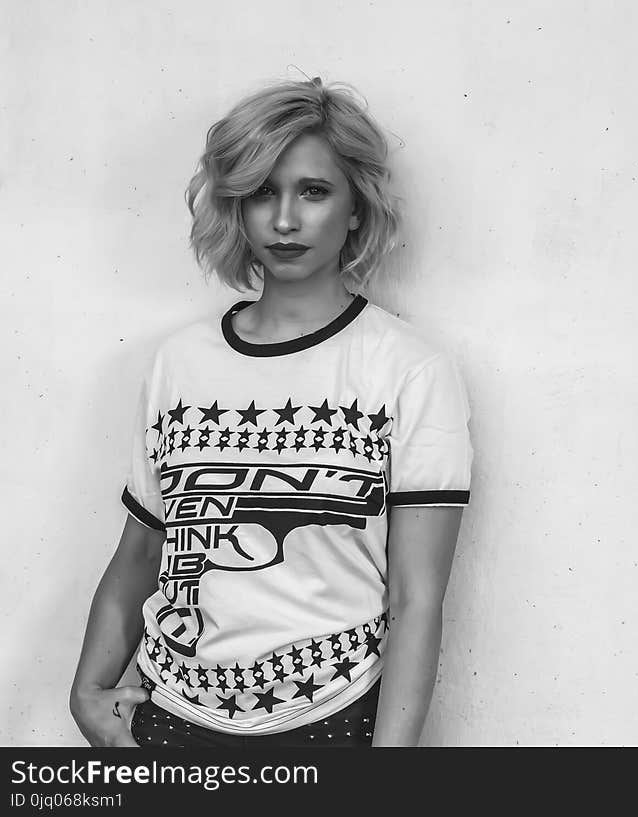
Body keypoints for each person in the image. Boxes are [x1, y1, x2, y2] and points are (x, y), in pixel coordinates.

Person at [69, 77, 474, 748]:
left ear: (355, 208)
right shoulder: (180, 362)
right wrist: (87, 691)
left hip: (332, 721)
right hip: (168, 716)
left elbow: (417, 598)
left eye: (313, 191)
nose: (284, 220)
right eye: (262, 192)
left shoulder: (409, 369)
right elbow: (143, 546)